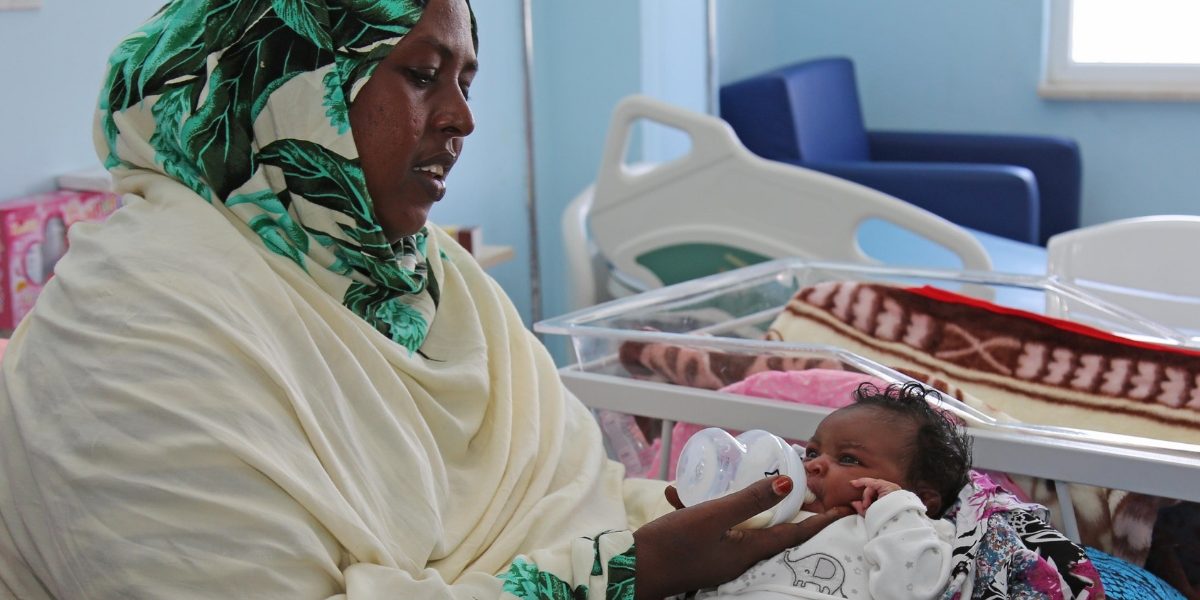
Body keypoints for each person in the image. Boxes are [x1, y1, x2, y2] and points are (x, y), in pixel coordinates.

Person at [0, 1, 851, 598]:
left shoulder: (432, 280)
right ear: (288, 82)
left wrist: (694, 518)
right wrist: (627, 571)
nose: (461, 118)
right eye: (421, 74)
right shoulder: (133, 332)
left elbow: (562, 500)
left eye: (467, 81)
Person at [695, 382, 972, 600]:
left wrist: (897, 508)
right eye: (813, 452)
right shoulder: (781, 511)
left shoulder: (916, 532)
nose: (813, 464)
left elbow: (912, 592)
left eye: (848, 458)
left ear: (921, 499)